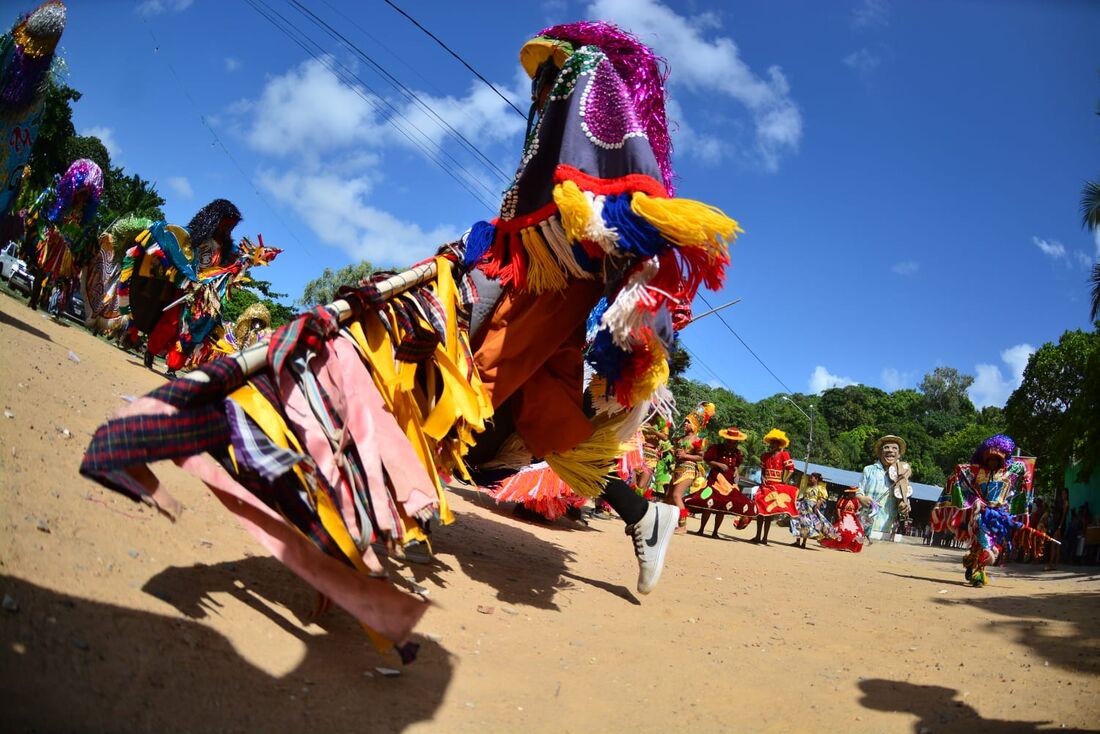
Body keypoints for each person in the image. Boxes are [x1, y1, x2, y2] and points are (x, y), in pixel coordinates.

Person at [932, 434, 1035, 587]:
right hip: (980, 513)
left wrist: (1027, 463)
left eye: (996, 459)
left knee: (986, 544)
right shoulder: (978, 472)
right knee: (983, 543)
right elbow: (964, 475)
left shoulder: (1008, 473)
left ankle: (970, 564)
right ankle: (979, 575)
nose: (993, 462)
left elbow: (1024, 467)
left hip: (998, 516)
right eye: (990, 459)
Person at [25, 159, 102, 315]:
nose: (83, 197)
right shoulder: (65, 203)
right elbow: (55, 215)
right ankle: (34, 297)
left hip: (67, 249)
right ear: (76, 190)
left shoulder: (85, 214)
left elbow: (82, 232)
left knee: (55, 276)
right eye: (82, 192)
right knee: (42, 268)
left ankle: (43, 302)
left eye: (87, 195)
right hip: (53, 241)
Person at [684, 426, 748, 538]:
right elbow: (707, 459)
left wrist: (737, 472)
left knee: (722, 507)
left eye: (734, 441)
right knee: (709, 503)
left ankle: (715, 532)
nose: (731, 443)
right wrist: (719, 464)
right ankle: (701, 529)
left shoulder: (737, 452)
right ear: (726, 439)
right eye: (730, 441)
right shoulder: (716, 448)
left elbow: (737, 465)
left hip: (728, 483)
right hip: (715, 480)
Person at [666, 403, 714, 535]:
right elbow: (676, 453)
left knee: (676, 496)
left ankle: (683, 526)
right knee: (668, 498)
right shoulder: (680, 439)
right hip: (677, 469)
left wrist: (685, 455)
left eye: (688, 422)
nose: (685, 424)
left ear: (694, 424)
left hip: (688, 470)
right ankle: (668, 522)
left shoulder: (697, 440)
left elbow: (701, 457)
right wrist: (669, 449)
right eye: (685, 422)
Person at [858, 434, 912, 538]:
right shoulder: (868, 470)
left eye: (894, 448)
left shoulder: (902, 476)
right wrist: (861, 498)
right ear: (880, 452)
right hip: (863, 524)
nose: (890, 450)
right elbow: (859, 491)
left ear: (899, 454)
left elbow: (902, 500)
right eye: (886, 447)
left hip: (886, 530)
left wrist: (904, 507)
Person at [752, 429, 798, 545]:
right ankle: (757, 536)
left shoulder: (784, 454)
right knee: (760, 512)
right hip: (764, 486)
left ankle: (765, 538)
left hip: (776, 487)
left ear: (779, 444)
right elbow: (763, 470)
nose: (772, 444)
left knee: (769, 514)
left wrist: (784, 481)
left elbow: (791, 470)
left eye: (775, 442)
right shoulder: (765, 456)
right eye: (771, 442)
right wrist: (762, 477)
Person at [788, 472, 833, 548]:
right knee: (799, 522)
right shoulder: (808, 487)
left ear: (816, 479)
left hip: (811, 507)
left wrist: (818, 505)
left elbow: (823, 498)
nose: (810, 478)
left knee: (807, 524)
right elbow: (804, 496)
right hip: (803, 506)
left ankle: (804, 543)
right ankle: (797, 541)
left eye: (812, 477)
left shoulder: (820, 488)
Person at [820, 486, 866, 553]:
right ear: (849, 493)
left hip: (852, 518)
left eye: (854, 493)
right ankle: (838, 544)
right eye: (852, 493)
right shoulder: (843, 499)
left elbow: (856, 509)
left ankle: (850, 547)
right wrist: (839, 516)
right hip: (844, 516)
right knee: (839, 530)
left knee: (858, 532)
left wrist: (855, 516)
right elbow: (839, 508)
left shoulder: (856, 500)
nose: (853, 494)